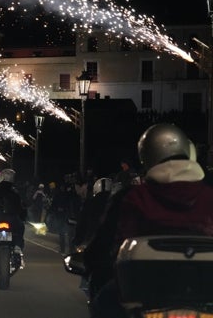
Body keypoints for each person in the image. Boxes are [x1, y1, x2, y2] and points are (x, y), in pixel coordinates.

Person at [87, 123, 213, 318]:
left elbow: (104, 247)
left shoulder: (132, 198)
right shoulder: (208, 197)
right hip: (205, 296)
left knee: (101, 305)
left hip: (144, 295)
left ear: (147, 157)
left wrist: (90, 261)